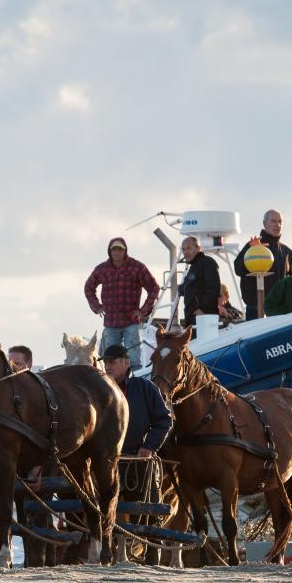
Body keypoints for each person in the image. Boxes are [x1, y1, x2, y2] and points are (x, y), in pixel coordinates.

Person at [103, 344, 172, 565]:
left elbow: (164, 420)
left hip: (139, 460)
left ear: (126, 363)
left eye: (113, 362)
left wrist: (149, 447)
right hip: (107, 461)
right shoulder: (100, 389)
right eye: (106, 362)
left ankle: (153, 557)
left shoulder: (144, 388)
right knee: (105, 508)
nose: (108, 366)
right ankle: (110, 553)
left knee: (149, 507)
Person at [84, 237, 159, 371]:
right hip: (111, 322)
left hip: (131, 321)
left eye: (120, 249)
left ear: (125, 251)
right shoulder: (102, 269)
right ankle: (111, 385)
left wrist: (143, 311)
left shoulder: (137, 267)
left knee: (134, 360)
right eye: (114, 249)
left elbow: (154, 287)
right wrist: (97, 307)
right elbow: (88, 287)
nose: (117, 252)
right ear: (109, 251)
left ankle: (134, 382)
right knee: (110, 359)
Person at [234, 209, 292, 320]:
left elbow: (290, 282)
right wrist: (252, 249)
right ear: (264, 223)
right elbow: (238, 269)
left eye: (280, 222)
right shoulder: (253, 246)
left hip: (279, 309)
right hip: (255, 308)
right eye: (273, 221)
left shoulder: (287, 252)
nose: (277, 225)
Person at [178, 236, 221, 331]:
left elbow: (214, 289)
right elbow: (185, 289)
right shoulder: (193, 268)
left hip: (203, 317)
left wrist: (201, 309)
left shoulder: (207, 263)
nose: (186, 252)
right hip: (191, 319)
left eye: (189, 248)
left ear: (198, 248)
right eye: (183, 249)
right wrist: (179, 288)